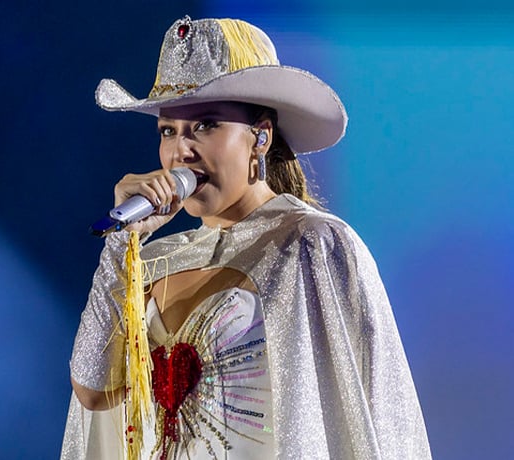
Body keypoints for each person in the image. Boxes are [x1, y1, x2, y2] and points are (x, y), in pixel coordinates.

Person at [62, 16, 430, 460]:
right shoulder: (152, 260)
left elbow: (370, 413)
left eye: (206, 125)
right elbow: (93, 393)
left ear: (260, 136)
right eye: (168, 131)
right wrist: (123, 244)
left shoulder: (310, 244)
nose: (182, 150)